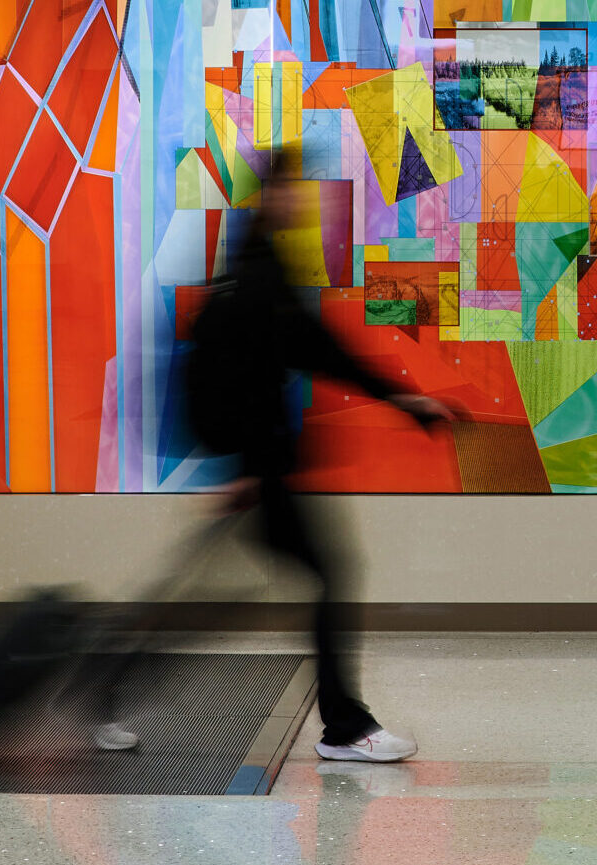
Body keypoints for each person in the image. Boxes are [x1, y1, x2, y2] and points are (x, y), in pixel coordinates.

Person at [185, 148, 456, 763]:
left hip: (264, 469)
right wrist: (245, 464)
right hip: (262, 471)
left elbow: (320, 350)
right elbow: (231, 369)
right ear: (271, 195)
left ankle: (108, 695)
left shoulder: (264, 266)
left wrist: (406, 400)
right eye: (295, 188)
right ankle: (345, 727)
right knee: (321, 577)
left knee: (204, 597)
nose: (306, 199)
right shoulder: (254, 275)